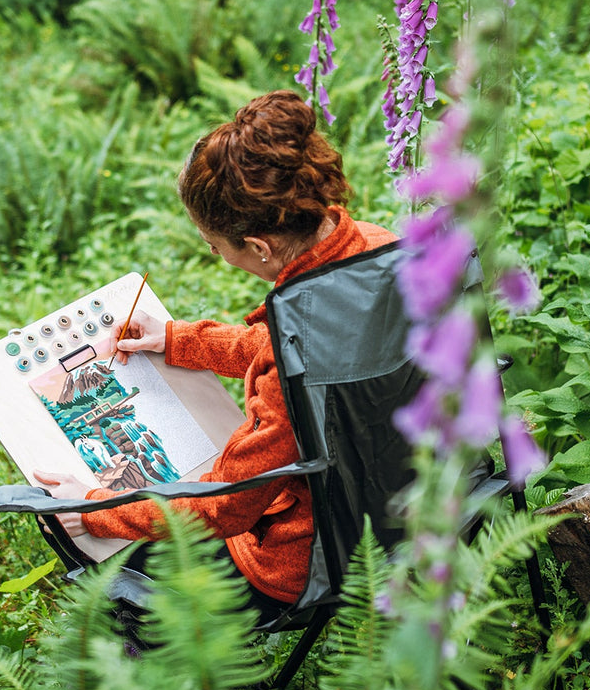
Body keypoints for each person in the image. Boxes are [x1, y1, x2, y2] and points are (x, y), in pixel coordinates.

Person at [34, 90, 396, 622]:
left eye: (214, 245)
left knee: (90, 532)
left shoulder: (296, 345)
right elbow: (320, 352)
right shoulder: (381, 250)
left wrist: (97, 506)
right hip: (415, 511)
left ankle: (144, 662)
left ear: (259, 246)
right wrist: (181, 339)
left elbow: (228, 507)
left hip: (317, 558)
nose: (215, 255)